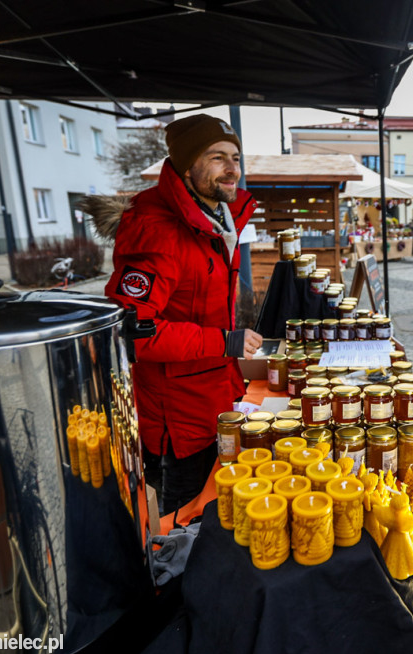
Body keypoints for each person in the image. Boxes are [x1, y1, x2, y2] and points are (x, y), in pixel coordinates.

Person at [88, 114, 263, 514]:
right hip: (179, 418)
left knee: (216, 511)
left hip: (214, 396)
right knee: (185, 521)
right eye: (217, 157)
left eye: (235, 157)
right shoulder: (157, 230)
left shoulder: (214, 219)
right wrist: (224, 342)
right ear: (187, 166)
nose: (232, 168)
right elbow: (137, 333)